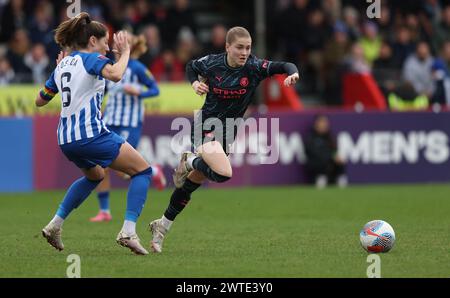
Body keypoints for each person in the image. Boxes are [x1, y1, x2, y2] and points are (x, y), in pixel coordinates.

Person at [147, 26, 300, 253]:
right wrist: (194, 83)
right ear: (227, 46)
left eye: (248, 47)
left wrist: (293, 73)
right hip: (206, 127)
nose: (244, 52)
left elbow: (284, 65)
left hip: (228, 132)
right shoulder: (212, 63)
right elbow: (191, 67)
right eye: (239, 47)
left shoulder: (254, 67)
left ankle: (162, 225)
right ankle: (189, 160)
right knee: (223, 173)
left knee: (191, 184)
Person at [36, 12, 152, 255]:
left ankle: (55, 225)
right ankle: (128, 231)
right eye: (104, 41)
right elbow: (117, 75)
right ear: (92, 42)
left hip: (66, 139)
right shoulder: (91, 59)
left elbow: (40, 100)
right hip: (90, 135)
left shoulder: (63, 65)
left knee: (95, 176)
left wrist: (59, 74)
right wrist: (126, 54)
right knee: (143, 170)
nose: (107, 46)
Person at [89, 33, 166, 223]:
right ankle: (104, 211)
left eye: (124, 42)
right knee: (101, 166)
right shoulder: (107, 67)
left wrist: (138, 91)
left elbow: (155, 90)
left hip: (129, 123)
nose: (119, 45)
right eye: (117, 41)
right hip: (109, 121)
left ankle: (153, 171)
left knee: (122, 168)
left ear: (130, 46)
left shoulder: (137, 68)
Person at [304, 114, 347, 189]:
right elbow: (313, 153)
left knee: (339, 162)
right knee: (322, 162)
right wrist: (330, 157)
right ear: (316, 124)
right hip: (317, 165)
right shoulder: (310, 137)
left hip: (330, 163)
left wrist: (336, 158)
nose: (323, 125)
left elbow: (334, 151)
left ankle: (341, 182)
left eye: (325, 123)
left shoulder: (330, 137)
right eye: (321, 122)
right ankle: (321, 181)